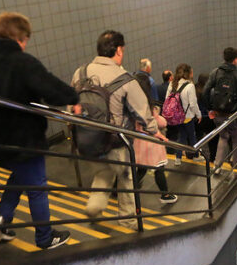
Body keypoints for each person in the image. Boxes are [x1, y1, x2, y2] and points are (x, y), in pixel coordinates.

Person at [0, 12, 77, 249]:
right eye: (25, 40)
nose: (25, 46)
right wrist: (73, 97)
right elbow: (55, 91)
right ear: (20, 38)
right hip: (21, 140)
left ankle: (2, 220)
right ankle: (45, 237)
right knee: (37, 187)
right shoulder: (21, 61)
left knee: (20, 175)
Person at [71, 30, 164, 230]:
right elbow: (142, 111)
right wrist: (154, 131)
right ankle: (128, 220)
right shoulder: (125, 79)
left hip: (88, 139)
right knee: (126, 179)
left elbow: (72, 105)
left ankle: (94, 207)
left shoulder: (80, 73)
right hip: (117, 143)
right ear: (119, 50)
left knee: (103, 172)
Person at [203, 47, 237, 175]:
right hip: (234, 115)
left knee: (223, 137)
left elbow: (205, 91)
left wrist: (210, 109)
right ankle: (236, 167)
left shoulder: (215, 72)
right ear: (235, 60)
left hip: (218, 113)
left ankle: (217, 166)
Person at [134, 84, 177, 204]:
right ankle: (165, 195)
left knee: (141, 169)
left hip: (138, 141)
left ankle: (128, 190)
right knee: (159, 169)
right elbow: (161, 123)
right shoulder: (149, 106)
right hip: (151, 142)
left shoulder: (133, 103)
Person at [165, 63, 201, 165]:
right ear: (188, 73)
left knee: (182, 136)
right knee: (192, 136)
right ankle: (196, 156)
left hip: (176, 117)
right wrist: (199, 115)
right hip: (187, 116)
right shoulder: (190, 86)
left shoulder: (172, 84)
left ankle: (178, 158)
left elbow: (167, 99)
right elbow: (193, 104)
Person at [195, 73, 218, 162]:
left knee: (197, 138)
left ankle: (194, 154)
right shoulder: (209, 92)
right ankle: (212, 157)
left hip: (198, 118)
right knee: (213, 139)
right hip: (208, 119)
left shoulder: (195, 90)